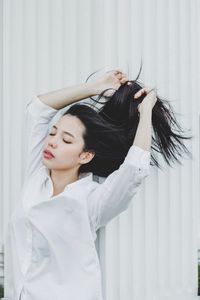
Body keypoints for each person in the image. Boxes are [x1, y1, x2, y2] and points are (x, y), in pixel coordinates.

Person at [2, 69, 189, 300]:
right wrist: (94, 88)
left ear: (85, 156)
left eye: (66, 139)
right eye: (52, 133)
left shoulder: (92, 201)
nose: (52, 143)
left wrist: (146, 113)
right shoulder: (36, 177)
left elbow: (134, 170)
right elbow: (37, 109)